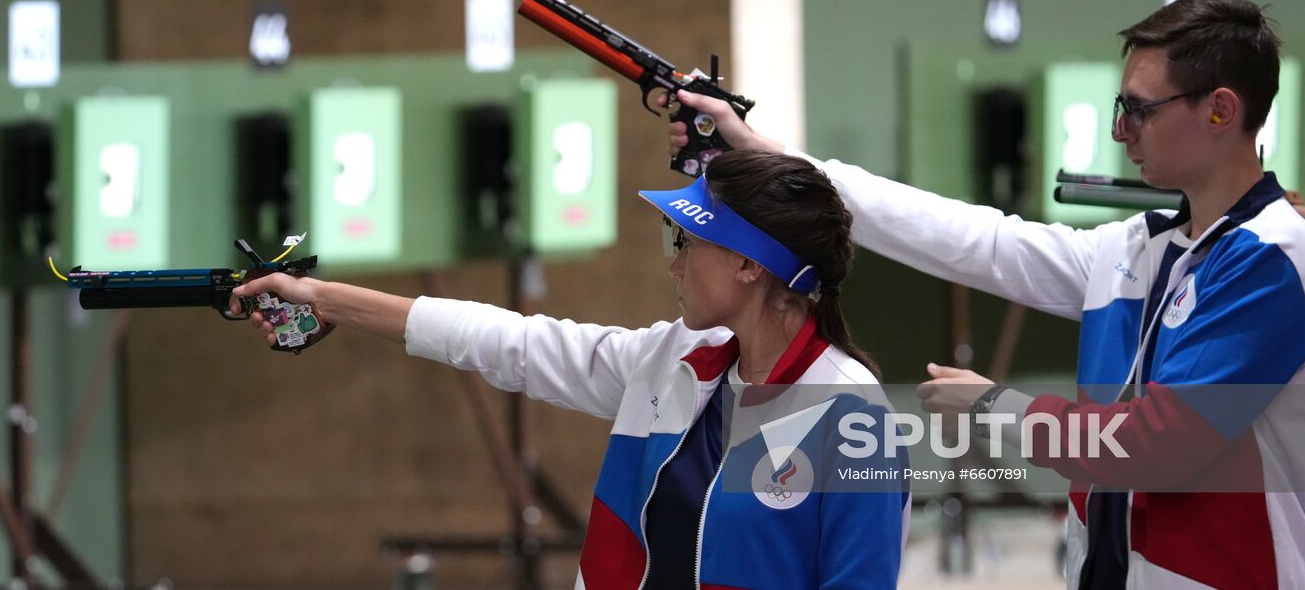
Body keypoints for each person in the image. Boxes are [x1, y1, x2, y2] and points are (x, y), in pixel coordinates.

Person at [669, 0, 1305, 589]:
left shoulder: (1274, 258)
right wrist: (783, 161)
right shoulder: (1137, 249)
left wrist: (995, 407)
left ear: (1221, 111)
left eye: (1140, 109)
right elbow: (974, 240)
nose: (1118, 131)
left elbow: (1159, 448)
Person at [232, 149, 909, 590]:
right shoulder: (674, 361)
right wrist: (325, 299)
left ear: (747, 263)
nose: (673, 262)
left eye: (688, 241)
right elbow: (506, 342)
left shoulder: (850, 419)